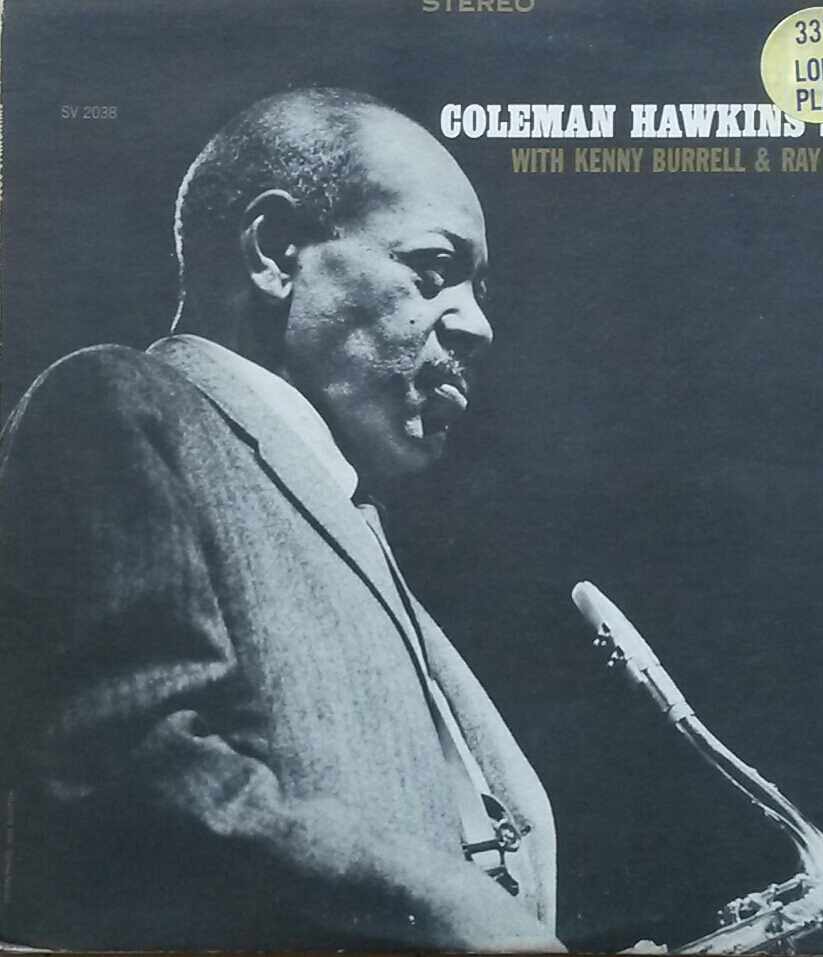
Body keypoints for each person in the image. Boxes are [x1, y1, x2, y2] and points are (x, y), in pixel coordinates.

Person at [0, 89, 563, 952]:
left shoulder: (345, 506)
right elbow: (130, 764)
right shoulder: (114, 403)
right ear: (273, 251)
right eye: (433, 268)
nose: (478, 326)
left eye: (478, 290)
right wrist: (451, 904)